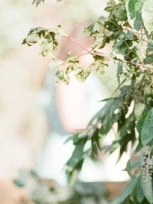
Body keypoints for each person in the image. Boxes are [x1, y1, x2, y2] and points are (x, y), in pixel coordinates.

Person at [35, 31, 126, 184]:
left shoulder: (69, 72)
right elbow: (71, 121)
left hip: (70, 156)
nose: (105, 54)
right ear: (87, 45)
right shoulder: (70, 73)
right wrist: (109, 124)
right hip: (70, 160)